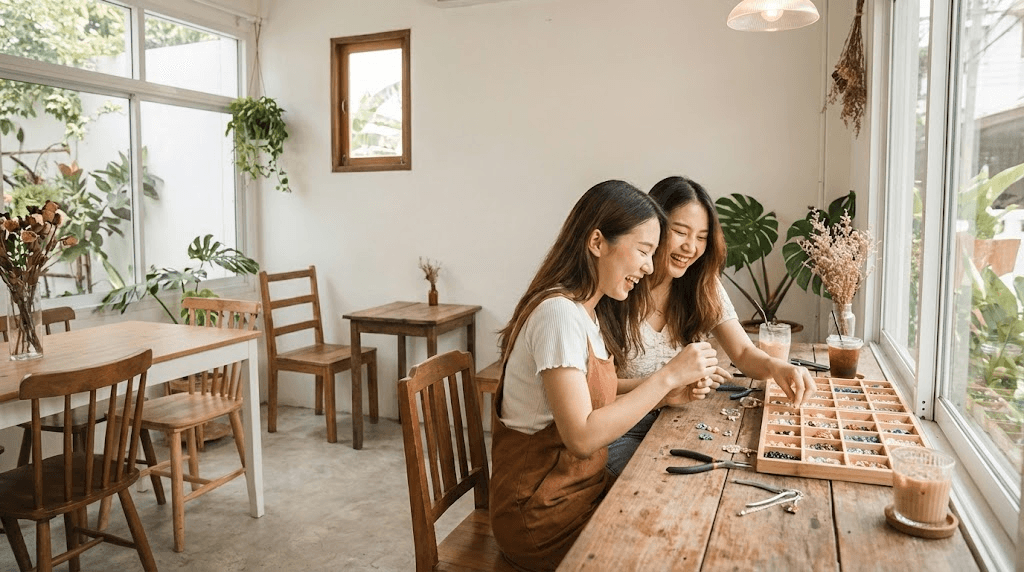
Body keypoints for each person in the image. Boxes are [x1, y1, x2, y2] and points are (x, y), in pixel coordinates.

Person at [489, 180, 719, 572]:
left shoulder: (585, 313)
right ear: (597, 242)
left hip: (579, 493)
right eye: (644, 251)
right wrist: (666, 377)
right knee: (679, 549)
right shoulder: (559, 315)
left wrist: (667, 390)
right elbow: (581, 437)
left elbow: (599, 392)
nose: (649, 267)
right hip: (541, 516)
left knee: (687, 518)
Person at [605, 175, 818, 477]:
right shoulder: (618, 287)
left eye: (702, 237)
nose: (691, 247)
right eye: (680, 232)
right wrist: (670, 381)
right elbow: (597, 391)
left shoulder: (703, 285)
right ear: (653, 227)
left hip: (676, 419)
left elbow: (743, 352)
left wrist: (777, 368)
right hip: (619, 431)